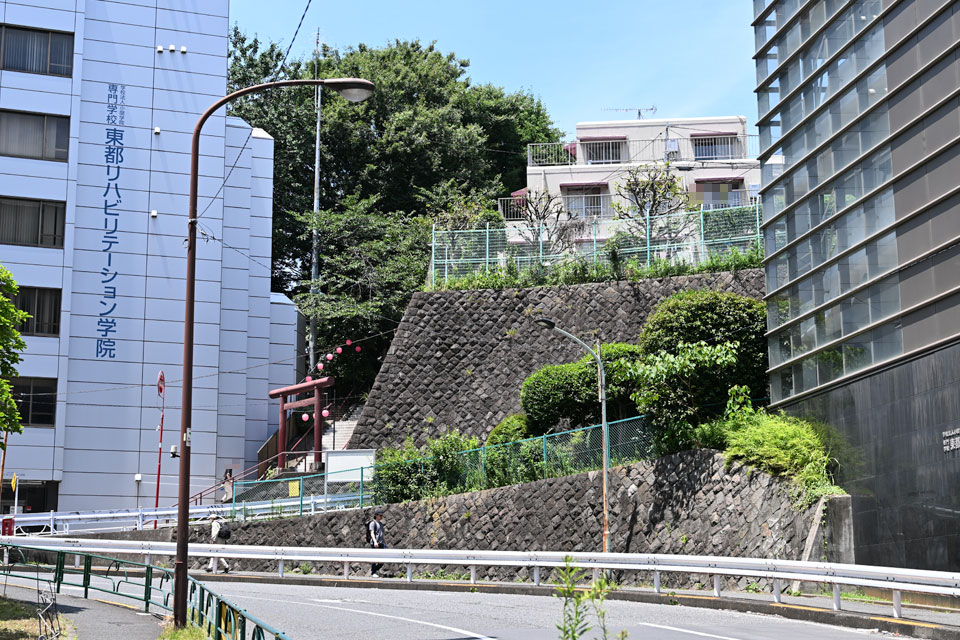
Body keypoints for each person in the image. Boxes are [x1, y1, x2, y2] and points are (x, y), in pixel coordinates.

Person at [368, 510, 386, 578]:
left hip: (381, 543)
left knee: (382, 560)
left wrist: (385, 543)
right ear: (376, 515)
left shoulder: (381, 524)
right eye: (380, 515)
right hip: (375, 543)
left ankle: (375, 570)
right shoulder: (373, 523)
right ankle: (373, 572)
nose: (381, 517)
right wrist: (375, 541)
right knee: (374, 559)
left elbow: (382, 534)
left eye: (382, 515)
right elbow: (372, 533)